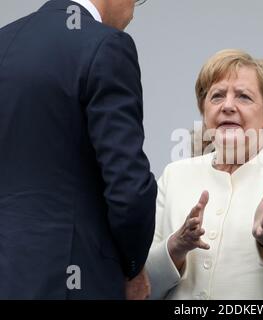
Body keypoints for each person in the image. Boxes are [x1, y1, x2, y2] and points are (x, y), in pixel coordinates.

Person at [0, 0, 156, 299]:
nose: (134, 11)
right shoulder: (106, 45)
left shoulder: (4, 40)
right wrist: (132, 266)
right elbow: (129, 189)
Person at [146, 49, 263, 299]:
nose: (228, 106)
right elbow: (143, 285)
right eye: (217, 96)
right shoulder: (175, 175)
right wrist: (175, 248)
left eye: (244, 97)